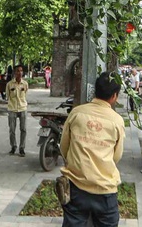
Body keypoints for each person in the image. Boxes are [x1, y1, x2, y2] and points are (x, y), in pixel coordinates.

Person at [60, 72, 126, 227]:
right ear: (115, 96)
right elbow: (116, 156)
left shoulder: (77, 112)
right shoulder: (116, 120)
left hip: (76, 187)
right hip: (105, 191)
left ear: (95, 91)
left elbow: (64, 147)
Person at [6, 64, 30, 156]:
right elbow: (8, 96)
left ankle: (22, 148)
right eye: (17, 71)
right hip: (12, 108)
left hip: (23, 108)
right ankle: (13, 146)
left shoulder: (25, 84)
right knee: (12, 129)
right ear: (14, 72)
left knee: (23, 129)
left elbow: (26, 94)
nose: (19, 73)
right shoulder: (9, 84)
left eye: (21, 71)